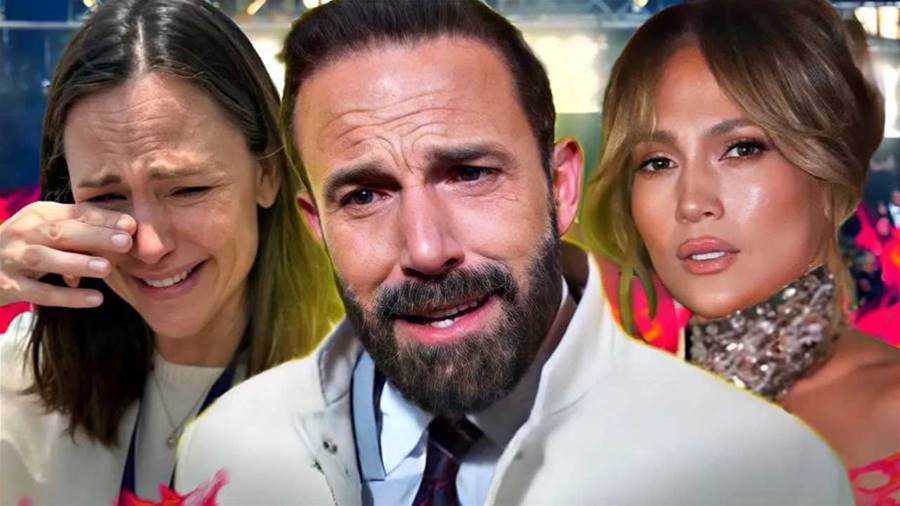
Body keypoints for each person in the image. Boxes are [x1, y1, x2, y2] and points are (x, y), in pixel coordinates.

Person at [175, 1, 853, 504]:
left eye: (469, 174)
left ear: (561, 188)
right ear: (317, 225)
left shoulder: (764, 472)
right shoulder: (228, 451)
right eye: (365, 196)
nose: (426, 248)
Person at [0, 0, 339, 503]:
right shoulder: (27, 378)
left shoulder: (351, 396)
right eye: (106, 198)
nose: (151, 246)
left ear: (267, 173)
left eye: (187, 190)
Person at [583, 0, 900, 504]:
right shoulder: (590, 426)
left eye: (742, 149)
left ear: (829, 174)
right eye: (657, 162)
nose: (692, 203)